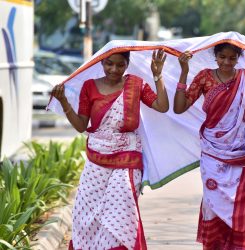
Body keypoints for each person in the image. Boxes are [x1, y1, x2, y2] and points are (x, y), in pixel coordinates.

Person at [51, 49, 169, 250]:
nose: (114, 69)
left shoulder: (135, 85)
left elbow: (162, 106)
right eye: (109, 64)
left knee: (120, 210)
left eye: (120, 65)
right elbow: (81, 125)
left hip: (127, 158)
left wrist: (158, 75)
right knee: (86, 213)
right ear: (101, 63)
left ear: (127, 65)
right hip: (97, 157)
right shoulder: (90, 87)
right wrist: (63, 101)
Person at [174, 43, 245, 249]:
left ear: (238, 58)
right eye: (222, 57)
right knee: (215, 205)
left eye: (232, 58)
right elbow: (179, 107)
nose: (226, 62)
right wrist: (184, 73)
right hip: (213, 153)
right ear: (215, 56)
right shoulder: (204, 77)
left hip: (242, 154)